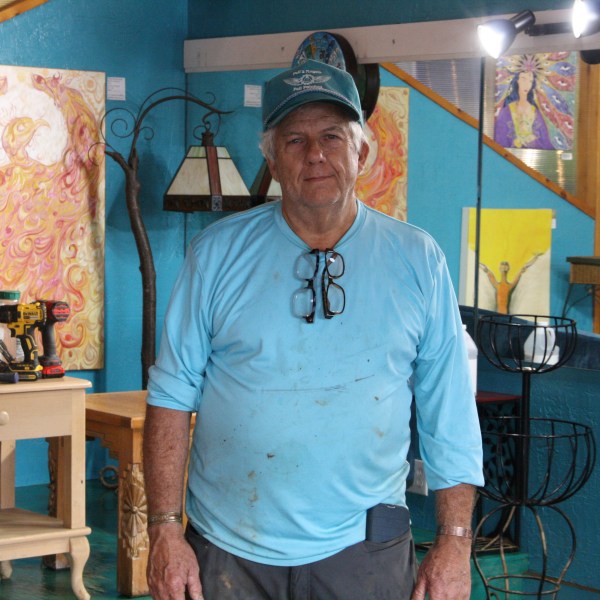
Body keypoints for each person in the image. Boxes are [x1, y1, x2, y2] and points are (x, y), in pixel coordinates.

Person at [143, 59, 484, 600]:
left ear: (363, 151)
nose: (316, 154)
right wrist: (162, 527)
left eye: (332, 136)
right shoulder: (216, 254)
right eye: (295, 140)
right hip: (229, 551)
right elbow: (169, 396)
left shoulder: (417, 259)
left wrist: (456, 543)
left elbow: (450, 412)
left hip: (363, 552)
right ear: (272, 160)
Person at [494, 70, 553, 150]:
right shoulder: (506, 112)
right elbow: (499, 140)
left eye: (530, 81)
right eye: (523, 79)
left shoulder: (535, 112)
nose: (527, 85)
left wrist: (532, 141)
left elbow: (545, 142)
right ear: (517, 81)